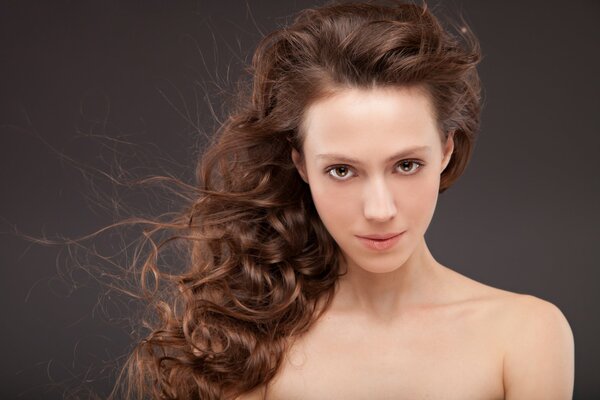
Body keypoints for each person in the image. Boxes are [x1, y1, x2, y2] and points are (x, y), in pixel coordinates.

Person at [115, 1, 575, 399]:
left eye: (407, 165)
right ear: (301, 166)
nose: (379, 210)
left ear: (447, 151)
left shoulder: (527, 335)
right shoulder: (251, 339)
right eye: (341, 170)